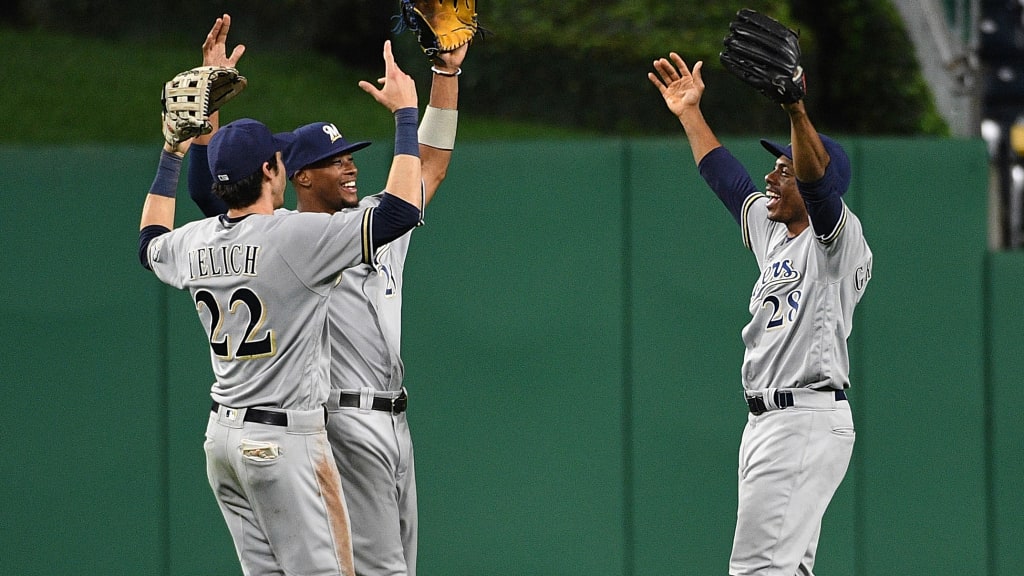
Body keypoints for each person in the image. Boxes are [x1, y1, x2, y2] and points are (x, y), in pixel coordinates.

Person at [186, 13, 467, 576]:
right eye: (332, 161)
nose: (349, 166)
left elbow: (430, 166)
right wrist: (205, 111)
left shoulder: (373, 222)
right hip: (339, 416)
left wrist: (445, 71)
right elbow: (209, 195)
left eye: (349, 156)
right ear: (297, 176)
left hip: (395, 418)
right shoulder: (284, 238)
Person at [137, 35, 423, 576]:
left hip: (222, 442)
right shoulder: (296, 239)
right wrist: (406, 115)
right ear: (275, 172)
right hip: (285, 439)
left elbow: (149, 240)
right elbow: (400, 211)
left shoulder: (195, 242)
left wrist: (174, 151)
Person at [648, 52, 873, 575]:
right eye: (774, 166)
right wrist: (689, 114)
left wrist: (795, 107)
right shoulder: (776, 238)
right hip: (773, 422)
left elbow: (819, 188)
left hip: (804, 415)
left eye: (785, 170)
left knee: (756, 571)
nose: (772, 177)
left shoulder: (838, 243)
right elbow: (728, 180)